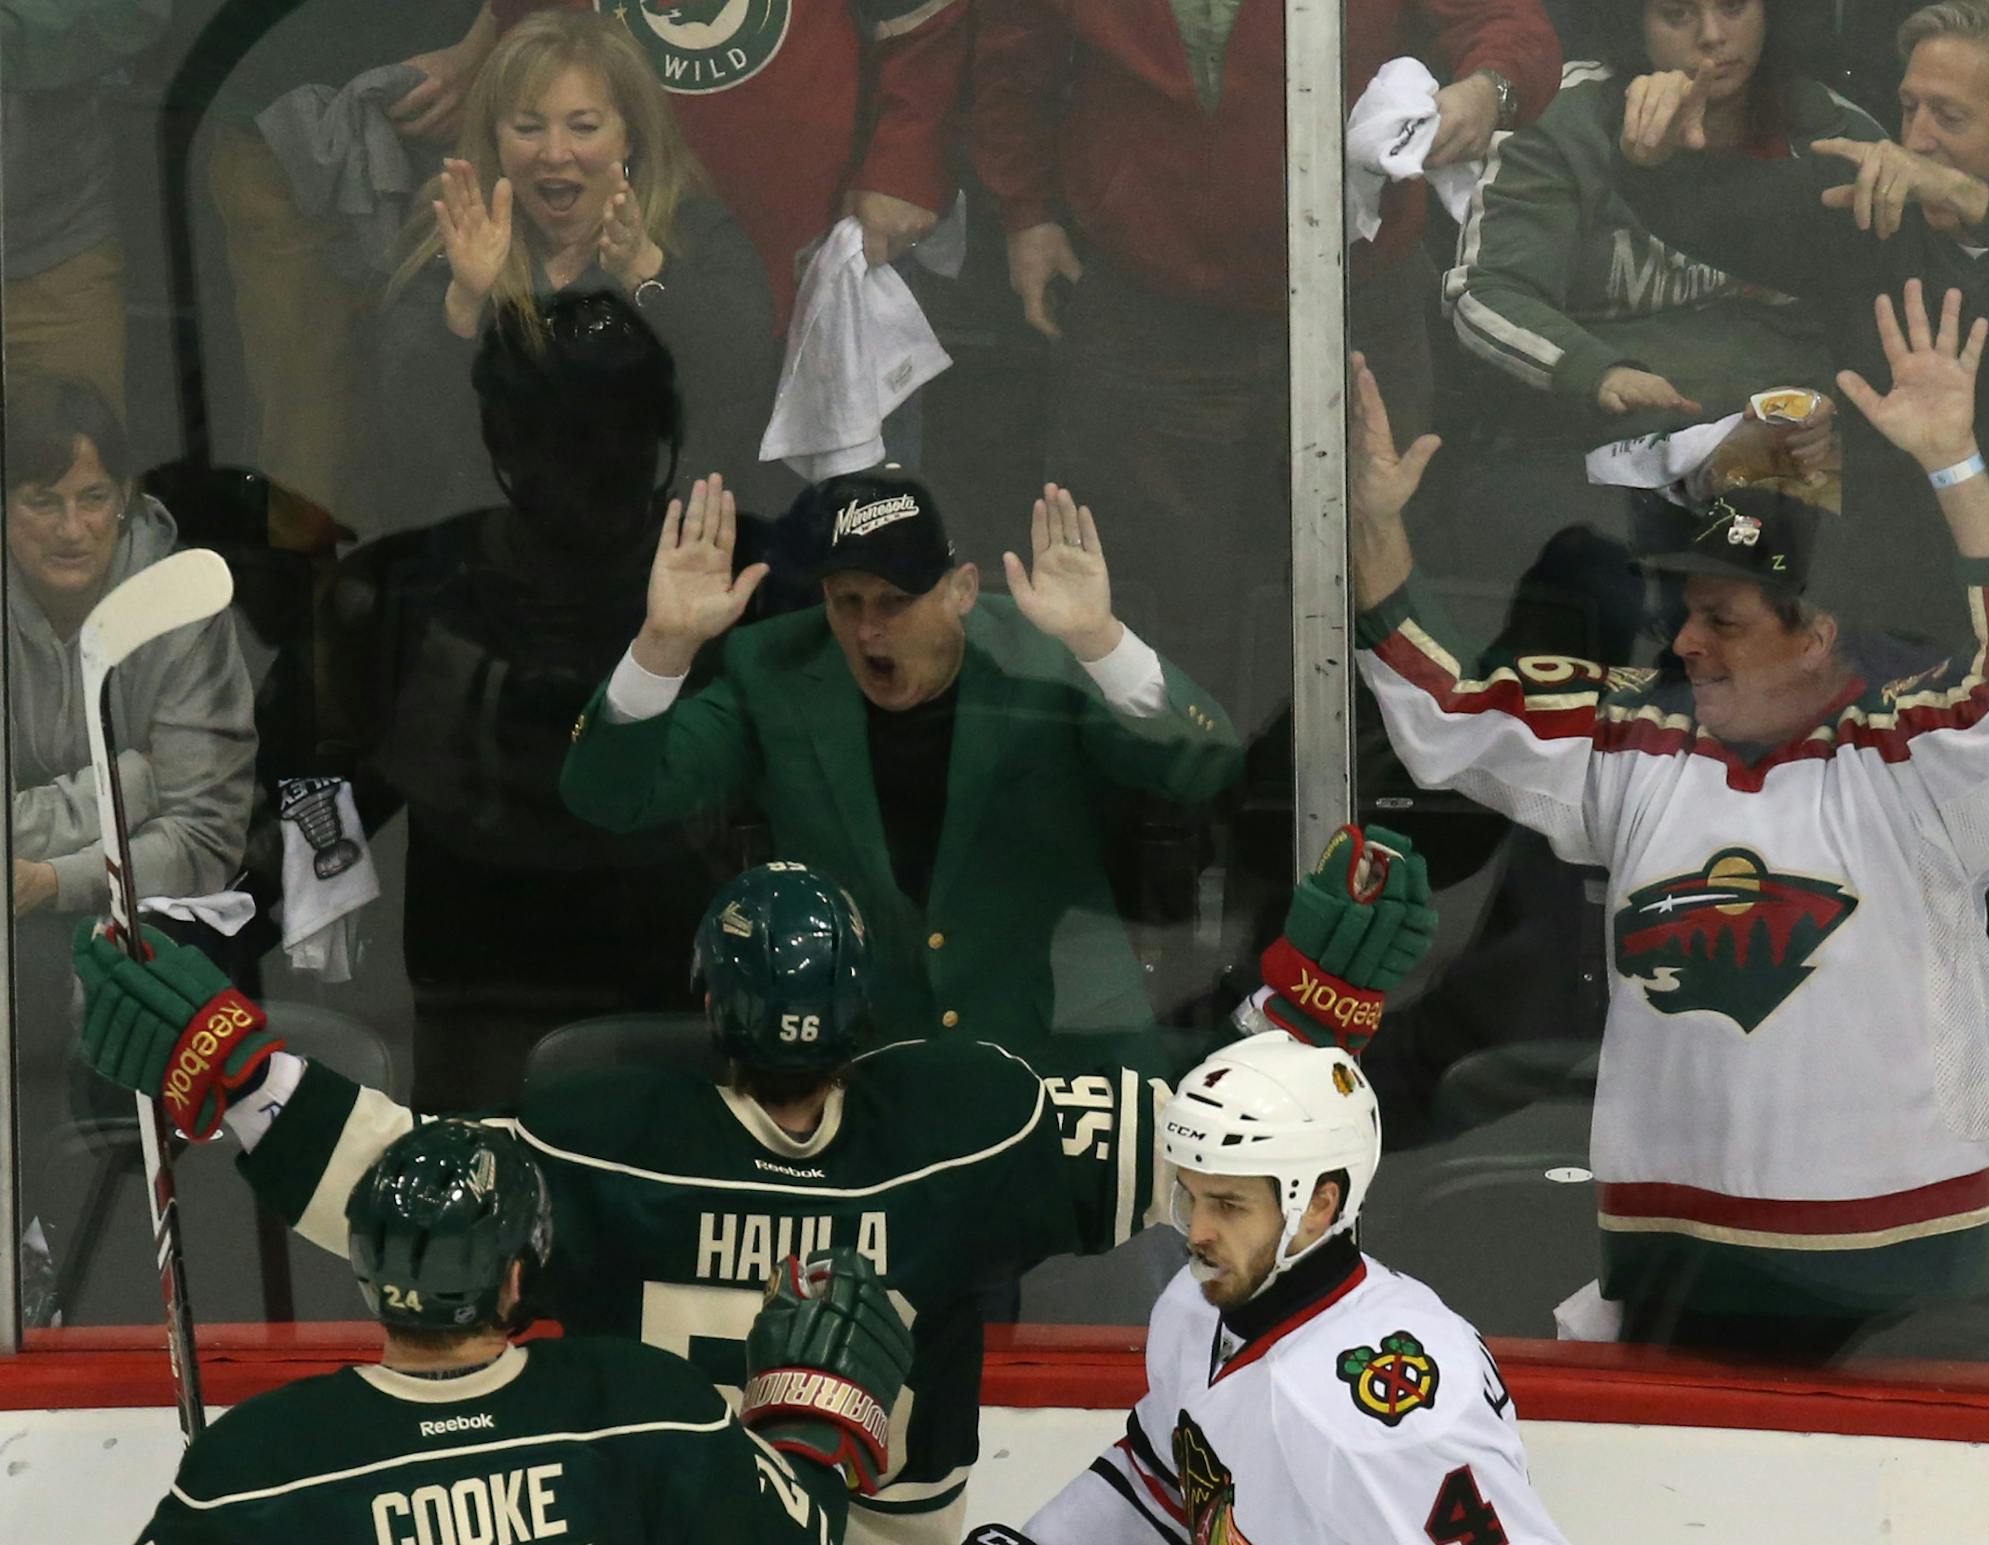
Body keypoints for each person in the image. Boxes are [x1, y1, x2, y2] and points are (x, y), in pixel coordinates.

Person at [73, 836, 1436, 1545]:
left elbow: (408, 1188)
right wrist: (1298, 1022)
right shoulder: (967, 1124)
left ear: (704, 1002)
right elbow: (1212, 1144)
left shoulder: (607, 1134)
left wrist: (237, 1076)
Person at [1347, 281, 1989, 1359]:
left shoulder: (1917, 761)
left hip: (1924, 1288)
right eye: (1684, 614)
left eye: (1722, 620)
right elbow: (1445, 711)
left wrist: (1952, 463)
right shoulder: (1634, 746)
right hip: (1685, 1278)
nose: (1685, 642)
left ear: (1816, 633)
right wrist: (1374, 523)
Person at [1611, 0, 1989, 1017]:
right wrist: (1660, 154)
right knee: (1910, 943)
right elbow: (1723, 211)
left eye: (1950, 117)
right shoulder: (1876, 218)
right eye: (1908, 110)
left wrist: (1976, 202)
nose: (1915, 139)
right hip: (1914, 647)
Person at [969, 0, 1562, 705]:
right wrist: (1026, 212)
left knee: (1374, 582)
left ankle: (1373, 770)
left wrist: (1490, 90)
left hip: (1357, 297)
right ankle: (1176, 763)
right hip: (1151, 298)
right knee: (1152, 591)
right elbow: (1012, 55)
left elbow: (1507, 21)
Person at [558, 465, 1244, 1050]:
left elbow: (1203, 769)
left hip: (1062, 1052)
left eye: (895, 600)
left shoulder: (1047, 650)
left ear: (961, 591)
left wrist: (1101, 641)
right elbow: (610, 797)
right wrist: (664, 644)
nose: (868, 629)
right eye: (847, 601)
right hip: (867, 1061)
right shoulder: (773, 670)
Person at [131, 1118, 907, 1542]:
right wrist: (817, 1427)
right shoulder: (647, 1403)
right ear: (514, 1275)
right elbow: (801, 1535)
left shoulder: (250, 1468)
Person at [324, 288, 721, 1107]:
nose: (591, 458)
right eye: (563, 431)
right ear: (503, 442)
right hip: (475, 999)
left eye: (615, 427)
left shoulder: (725, 595)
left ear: (660, 436)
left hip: (667, 994)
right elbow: (320, 783)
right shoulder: (409, 596)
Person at [962, 1032, 1573, 1545]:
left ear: (1319, 1206)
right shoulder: (1196, 1306)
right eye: (1192, 1196)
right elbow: (1159, 1486)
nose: (1197, 1232)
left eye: (1229, 1205)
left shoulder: (1381, 1421)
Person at [370, 9, 773, 538]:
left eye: (583, 127)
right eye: (528, 128)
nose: (554, 154)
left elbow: (740, 383)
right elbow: (409, 443)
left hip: (655, 547)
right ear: (495, 140)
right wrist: (464, 303)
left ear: (630, 138)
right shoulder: (452, 238)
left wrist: (647, 273)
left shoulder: (695, 235)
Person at [1448, 0, 1882, 442]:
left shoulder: (1836, 132)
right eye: (1678, 15)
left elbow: (1880, 337)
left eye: (1733, 7)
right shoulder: (1565, 111)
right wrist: (1598, 373)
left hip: (1786, 441)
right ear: (1633, 22)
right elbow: (1486, 291)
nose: (1712, 35)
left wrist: (1839, 417)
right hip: (1597, 439)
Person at [189, 0, 502, 548]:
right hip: (278, 119)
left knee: (463, 400)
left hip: (466, 110)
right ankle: (307, 593)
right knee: (308, 423)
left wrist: (485, 45)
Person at [489, 0, 967, 319]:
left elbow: (925, 15)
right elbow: (521, 26)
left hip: (822, 245)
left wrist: (907, 162)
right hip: (599, 251)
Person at [7, 374, 256, 924]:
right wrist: (136, 782)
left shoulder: (182, 607)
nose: (72, 529)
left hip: (153, 924)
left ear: (124, 497)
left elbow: (206, 839)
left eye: (93, 498)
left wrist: (53, 881)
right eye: (43, 503)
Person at [1, 0, 165, 413]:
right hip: (59, 239)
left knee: (80, 447)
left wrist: (19, 36)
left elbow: (139, 8)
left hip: (56, 251)